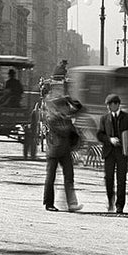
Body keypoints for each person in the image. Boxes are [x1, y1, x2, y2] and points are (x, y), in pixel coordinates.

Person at [40, 65, 83, 213]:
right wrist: (71, 127)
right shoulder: (52, 116)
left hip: (64, 150)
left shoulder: (63, 113)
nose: (66, 109)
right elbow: (62, 130)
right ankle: (48, 203)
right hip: (54, 150)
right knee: (50, 178)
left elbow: (79, 107)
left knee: (69, 177)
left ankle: (72, 203)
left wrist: (68, 99)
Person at [98, 91, 128, 214]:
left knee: (121, 179)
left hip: (122, 153)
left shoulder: (127, 117)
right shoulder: (104, 118)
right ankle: (110, 201)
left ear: (117, 104)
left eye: (110, 104)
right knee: (108, 178)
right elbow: (100, 134)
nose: (108, 107)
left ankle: (120, 205)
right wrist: (109, 140)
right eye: (107, 105)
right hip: (109, 153)